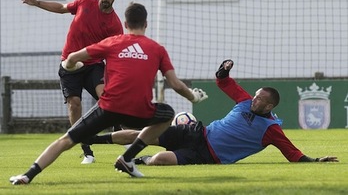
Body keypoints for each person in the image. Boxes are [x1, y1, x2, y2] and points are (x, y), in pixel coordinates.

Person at [9, 2, 208, 185]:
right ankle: (128, 157)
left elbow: (72, 57)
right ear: (146, 23)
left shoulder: (113, 42)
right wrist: (193, 97)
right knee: (166, 114)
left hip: (108, 108)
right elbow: (175, 84)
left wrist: (69, 66)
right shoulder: (157, 49)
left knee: (66, 140)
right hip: (139, 112)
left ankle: (28, 175)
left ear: (125, 23)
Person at [89, 59, 338, 165]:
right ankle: (91, 139)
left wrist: (314, 161)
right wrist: (223, 70)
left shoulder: (271, 130)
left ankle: (138, 160)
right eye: (256, 95)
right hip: (198, 132)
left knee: (161, 160)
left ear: (270, 106)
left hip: (208, 156)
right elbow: (223, 82)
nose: (255, 100)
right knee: (145, 133)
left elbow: (292, 153)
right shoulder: (244, 100)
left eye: (260, 99)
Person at [20, 0, 124, 164]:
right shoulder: (84, 2)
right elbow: (61, 8)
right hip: (69, 64)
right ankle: (86, 150)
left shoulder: (115, 25)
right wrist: (36, 3)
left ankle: (117, 128)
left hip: (93, 65)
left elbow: (113, 55)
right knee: (74, 104)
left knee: (106, 96)